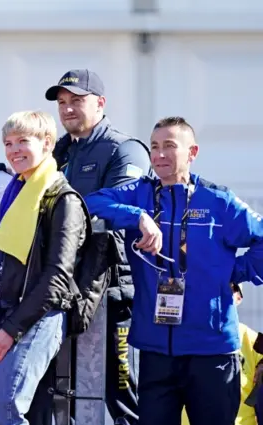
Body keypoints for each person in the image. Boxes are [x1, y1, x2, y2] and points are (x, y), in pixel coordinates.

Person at [85, 116, 263, 425]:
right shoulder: (140, 193)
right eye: (154, 147)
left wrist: (233, 272)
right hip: (156, 353)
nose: (159, 155)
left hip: (212, 352)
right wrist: (137, 216)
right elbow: (90, 202)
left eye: (170, 146)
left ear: (192, 152)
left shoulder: (218, 201)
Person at [46, 69, 151, 425]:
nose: (68, 109)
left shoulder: (125, 149)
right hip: (69, 289)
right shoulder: (59, 151)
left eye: (77, 100)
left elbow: (123, 207)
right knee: (68, 394)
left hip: (114, 291)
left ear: (100, 103)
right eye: (62, 103)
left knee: (122, 394)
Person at [0, 110, 88, 425]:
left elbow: (57, 277)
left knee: (3, 411)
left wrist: (11, 328)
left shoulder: (63, 199)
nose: (14, 150)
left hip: (38, 318)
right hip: (10, 314)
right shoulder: (18, 193)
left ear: (46, 143)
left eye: (22, 141)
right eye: (8, 143)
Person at [181, 284, 263, 425]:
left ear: (238, 298)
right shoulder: (179, 337)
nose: (218, 297)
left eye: (228, 290)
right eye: (212, 290)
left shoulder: (252, 340)